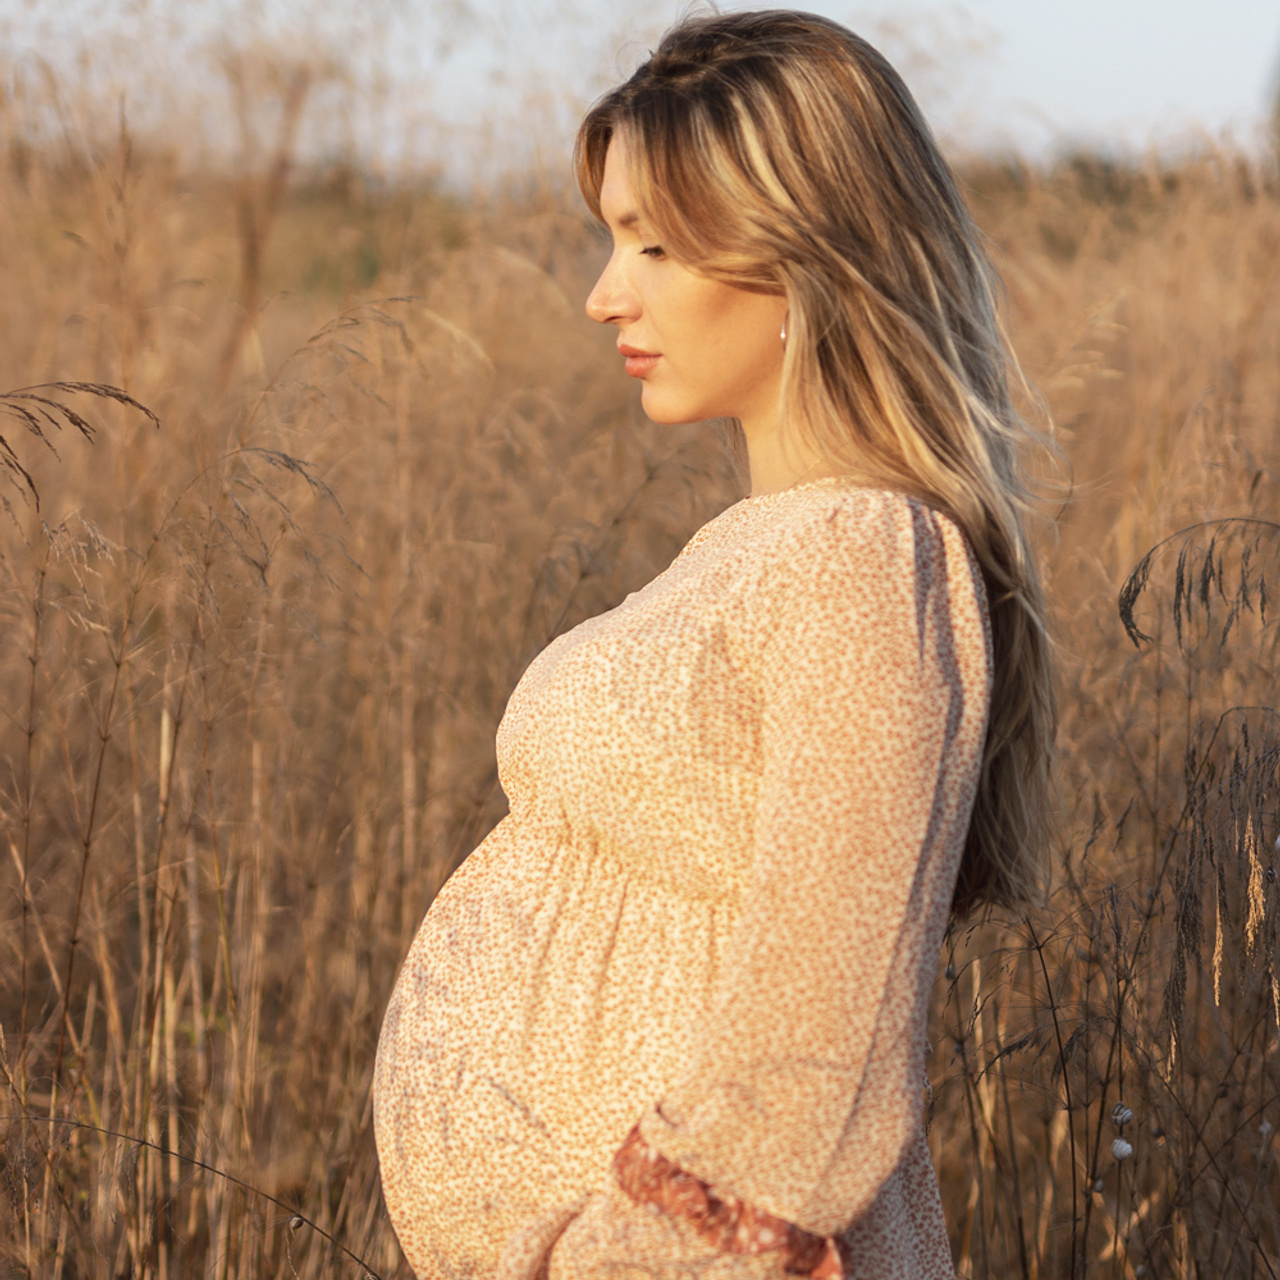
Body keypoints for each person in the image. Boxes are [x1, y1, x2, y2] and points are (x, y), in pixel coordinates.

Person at [372, 10, 1055, 1280]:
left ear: (809, 252)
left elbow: (818, 1056)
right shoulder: (762, 547)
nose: (603, 293)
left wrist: (616, 1258)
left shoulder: (864, 554)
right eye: (609, 239)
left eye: (654, 244)